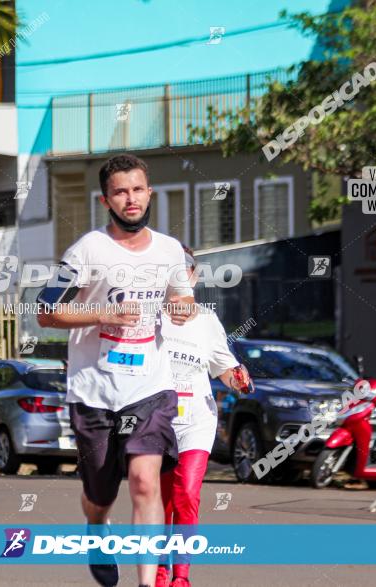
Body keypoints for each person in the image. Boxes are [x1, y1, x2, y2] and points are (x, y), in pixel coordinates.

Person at [37, 154, 196, 587]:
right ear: (106, 199)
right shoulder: (87, 249)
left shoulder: (169, 250)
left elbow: (184, 297)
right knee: (100, 494)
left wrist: (181, 309)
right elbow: (45, 311)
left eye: (138, 189)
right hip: (94, 391)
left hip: (150, 388)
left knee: (145, 482)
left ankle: (147, 582)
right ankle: (96, 529)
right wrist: (101, 312)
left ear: (150, 194)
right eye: (121, 192)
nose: (131, 199)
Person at [154, 246, 253, 587]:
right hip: (158, 422)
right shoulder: (149, 316)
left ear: (194, 276)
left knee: (186, 493)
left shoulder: (208, 321)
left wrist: (238, 377)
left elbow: (224, 368)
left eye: (184, 269)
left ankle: (181, 575)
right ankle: (160, 568)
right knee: (162, 501)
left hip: (197, 419)